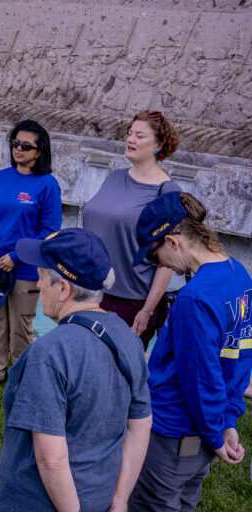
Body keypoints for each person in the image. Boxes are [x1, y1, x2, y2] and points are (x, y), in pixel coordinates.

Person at [0, 228, 152, 512]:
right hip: (99, 498)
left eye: (42, 277)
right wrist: (119, 500)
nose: (39, 286)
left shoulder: (49, 353)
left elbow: (51, 459)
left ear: (63, 289)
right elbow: (140, 425)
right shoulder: (129, 339)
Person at [127, 192, 252, 512]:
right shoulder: (240, 275)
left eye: (155, 256)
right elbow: (241, 357)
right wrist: (226, 423)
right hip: (201, 440)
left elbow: (201, 378)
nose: (160, 266)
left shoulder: (194, 299)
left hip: (170, 433)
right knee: (184, 501)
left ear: (172, 242)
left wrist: (215, 433)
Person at [83, 110, 181, 347]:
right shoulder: (114, 177)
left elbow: (168, 260)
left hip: (129, 302)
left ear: (158, 145)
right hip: (89, 291)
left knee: (119, 375)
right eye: (129, 134)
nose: (130, 140)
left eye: (139, 136)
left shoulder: (166, 192)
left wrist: (147, 310)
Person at [0, 120, 62, 389]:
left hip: (25, 270)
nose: (19, 149)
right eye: (15, 143)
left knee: (21, 328)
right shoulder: (0, 178)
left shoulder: (48, 185)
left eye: (26, 145)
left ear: (39, 152)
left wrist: (16, 256)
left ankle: (21, 377)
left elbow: (50, 231)